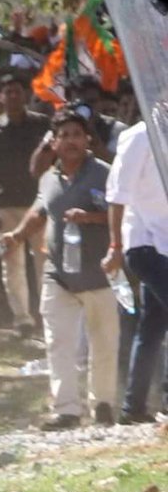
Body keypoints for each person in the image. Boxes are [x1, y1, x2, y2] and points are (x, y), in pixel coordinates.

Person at [2, 109, 117, 430]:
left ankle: (103, 405)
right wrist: (17, 236)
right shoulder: (48, 178)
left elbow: (121, 216)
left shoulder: (105, 174)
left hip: (100, 271)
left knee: (103, 341)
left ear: (87, 139)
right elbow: (39, 212)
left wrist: (90, 218)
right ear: (53, 142)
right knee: (58, 341)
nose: (70, 141)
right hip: (58, 272)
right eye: (63, 135)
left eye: (76, 134)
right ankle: (67, 409)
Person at [103, 121, 168, 423]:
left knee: (153, 326)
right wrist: (115, 245)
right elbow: (117, 197)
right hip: (145, 244)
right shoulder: (138, 137)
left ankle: (134, 406)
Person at [0, 74, 51, 336]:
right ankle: (22, 319)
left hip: (39, 203)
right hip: (7, 204)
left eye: (17, 91)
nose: (12, 96)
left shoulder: (41, 125)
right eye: (7, 92)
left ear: (25, 94)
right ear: (1, 96)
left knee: (44, 261)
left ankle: (47, 315)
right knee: (12, 263)